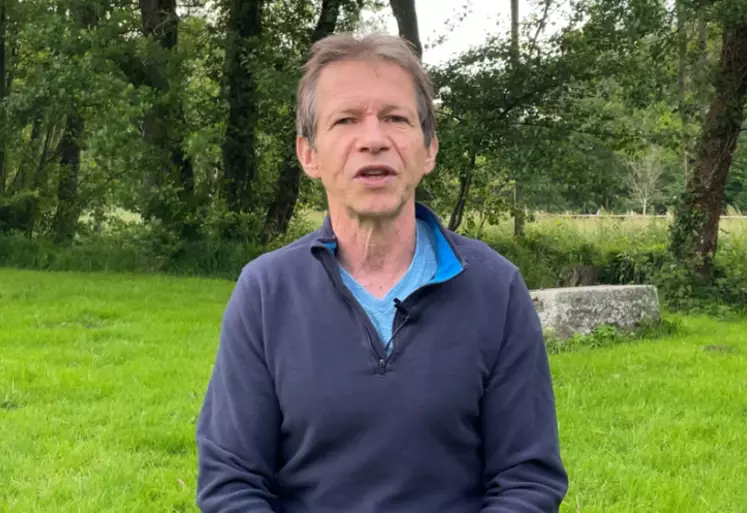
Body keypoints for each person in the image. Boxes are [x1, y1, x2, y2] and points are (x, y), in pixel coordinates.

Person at [195, 33, 568, 513]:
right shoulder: (266, 292)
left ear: (428, 149)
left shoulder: (495, 288)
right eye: (346, 120)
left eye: (395, 118)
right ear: (309, 153)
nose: (373, 140)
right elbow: (232, 482)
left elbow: (527, 481)